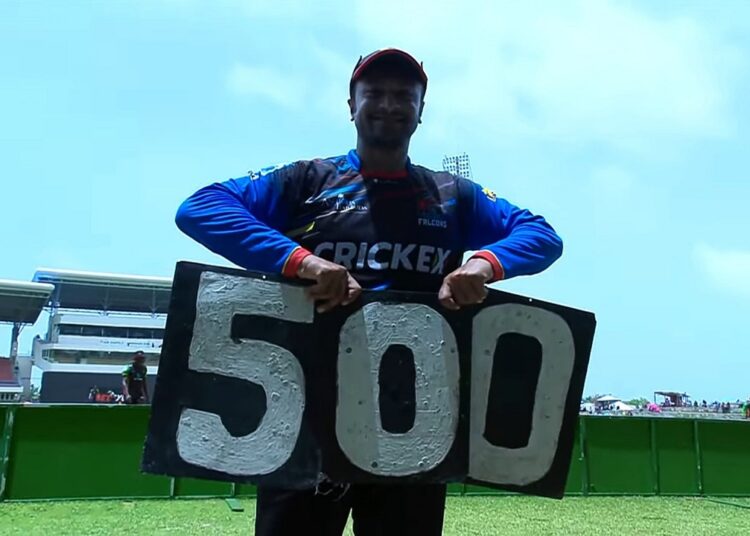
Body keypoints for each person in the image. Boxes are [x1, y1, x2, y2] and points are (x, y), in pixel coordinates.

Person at [176, 48, 563, 536]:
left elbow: (542, 236)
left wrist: (483, 265)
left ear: (421, 111)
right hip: (306, 418)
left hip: (416, 424)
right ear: (351, 105)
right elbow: (200, 209)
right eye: (374, 93)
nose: (388, 104)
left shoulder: (451, 194)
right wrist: (303, 262)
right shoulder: (307, 180)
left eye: (404, 95)